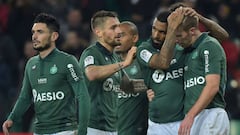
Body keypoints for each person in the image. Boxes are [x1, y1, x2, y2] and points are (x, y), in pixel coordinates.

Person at [137, 4, 229, 135]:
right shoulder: (144, 49)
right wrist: (145, 89)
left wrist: (197, 17)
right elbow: (127, 83)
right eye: (154, 29)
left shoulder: (185, 47)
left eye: (163, 32)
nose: (156, 35)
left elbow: (221, 37)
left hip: (186, 119)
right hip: (159, 123)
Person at [2, 13, 90, 135]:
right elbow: (25, 97)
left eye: (40, 32)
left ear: (54, 36)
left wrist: (82, 129)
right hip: (39, 131)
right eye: (33, 32)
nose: (34, 36)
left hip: (64, 130)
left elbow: (82, 95)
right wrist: (12, 118)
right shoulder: (31, 64)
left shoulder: (67, 61)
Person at [79, 10, 136, 135]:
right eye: (113, 28)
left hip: (111, 128)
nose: (119, 31)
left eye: (119, 27)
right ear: (98, 32)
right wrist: (124, 63)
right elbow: (91, 73)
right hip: (91, 127)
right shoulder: (91, 53)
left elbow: (129, 86)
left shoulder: (114, 58)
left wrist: (150, 87)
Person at [176, 15, 230, 135]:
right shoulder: (187, 51)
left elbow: (212, 86)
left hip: (211, 114)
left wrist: (190, 116)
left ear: (192, 31)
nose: (176, 40)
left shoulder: (209, 45)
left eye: (179, 35)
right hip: (194, 115)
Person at [114, 21, 148, 135]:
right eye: (116, 35)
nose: (117, 39)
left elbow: (154, 85)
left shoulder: (143, 61)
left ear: (135, 38)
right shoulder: (109, 63)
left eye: (122, 35)